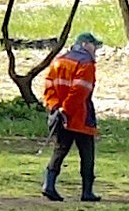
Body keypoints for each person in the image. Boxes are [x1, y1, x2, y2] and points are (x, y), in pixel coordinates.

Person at [41, 31, 104, 202]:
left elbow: (48, 86)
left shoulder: (59, 60)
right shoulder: (86, 64)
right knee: (87, 153)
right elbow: (81, 90)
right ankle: (87, 191)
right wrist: (66, 110)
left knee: (60, 149)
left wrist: (55, 107)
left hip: (60, 115)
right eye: (94, 46)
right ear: (85, 45)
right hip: (79, 116)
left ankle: (49, 185)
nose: (95, 50)